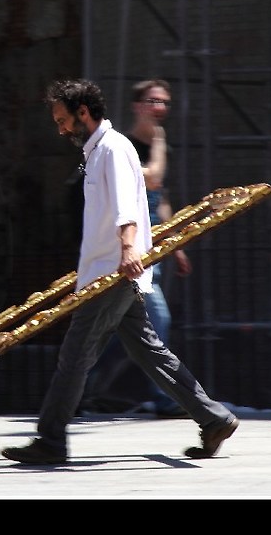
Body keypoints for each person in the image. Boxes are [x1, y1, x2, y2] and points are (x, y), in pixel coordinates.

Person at [0, 78, 239, 464]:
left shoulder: (112, 148)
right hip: (108, 271)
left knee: (74, 355)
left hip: (111, 274)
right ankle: (213, 418)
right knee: (149, 351)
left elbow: (129, 203)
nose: (60, 129)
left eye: (63, 120)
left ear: (83, 112)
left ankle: (51, 440)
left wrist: (129, 250)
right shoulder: (97, 151)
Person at [81, 79, 191, 418]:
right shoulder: (125, 146)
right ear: (136, 105)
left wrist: (177, 246)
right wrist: (158, 141)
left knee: (120, 333)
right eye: (152, 101)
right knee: (159, 323)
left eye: (164, 102)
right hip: (128, 250)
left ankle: (79, 389)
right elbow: (152, 179)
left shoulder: (157, 146)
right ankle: (166, 399)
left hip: (153, 249)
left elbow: (161, 199)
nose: (159, 108)